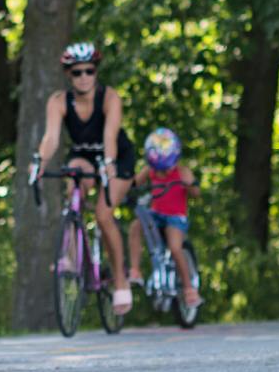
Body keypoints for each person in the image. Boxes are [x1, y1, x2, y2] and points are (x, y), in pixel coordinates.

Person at [31, 41, 135, 315]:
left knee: (103, 215)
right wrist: (40, 163)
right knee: (72, 182)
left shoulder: (109, 97)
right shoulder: (59, 101)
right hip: (83, 155)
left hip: (117, 157)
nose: (84, 77)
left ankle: (121, 282)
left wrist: (109, 164)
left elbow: (110, 137)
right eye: (77, 72)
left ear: (96, 71)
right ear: (69, 75)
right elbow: (51, 138)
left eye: (89, 71)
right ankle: (72, 254)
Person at [128, 127, 200, 309]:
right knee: (136, 226)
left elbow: (196, 193)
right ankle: (135, 271)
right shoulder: (150, 170)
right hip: (156, 215)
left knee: (175, 248)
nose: (164, 173)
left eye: (166, 168)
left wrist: (190, 185)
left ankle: (189, 288)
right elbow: (133, 184)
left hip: (175, 218)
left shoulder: (182, 171)